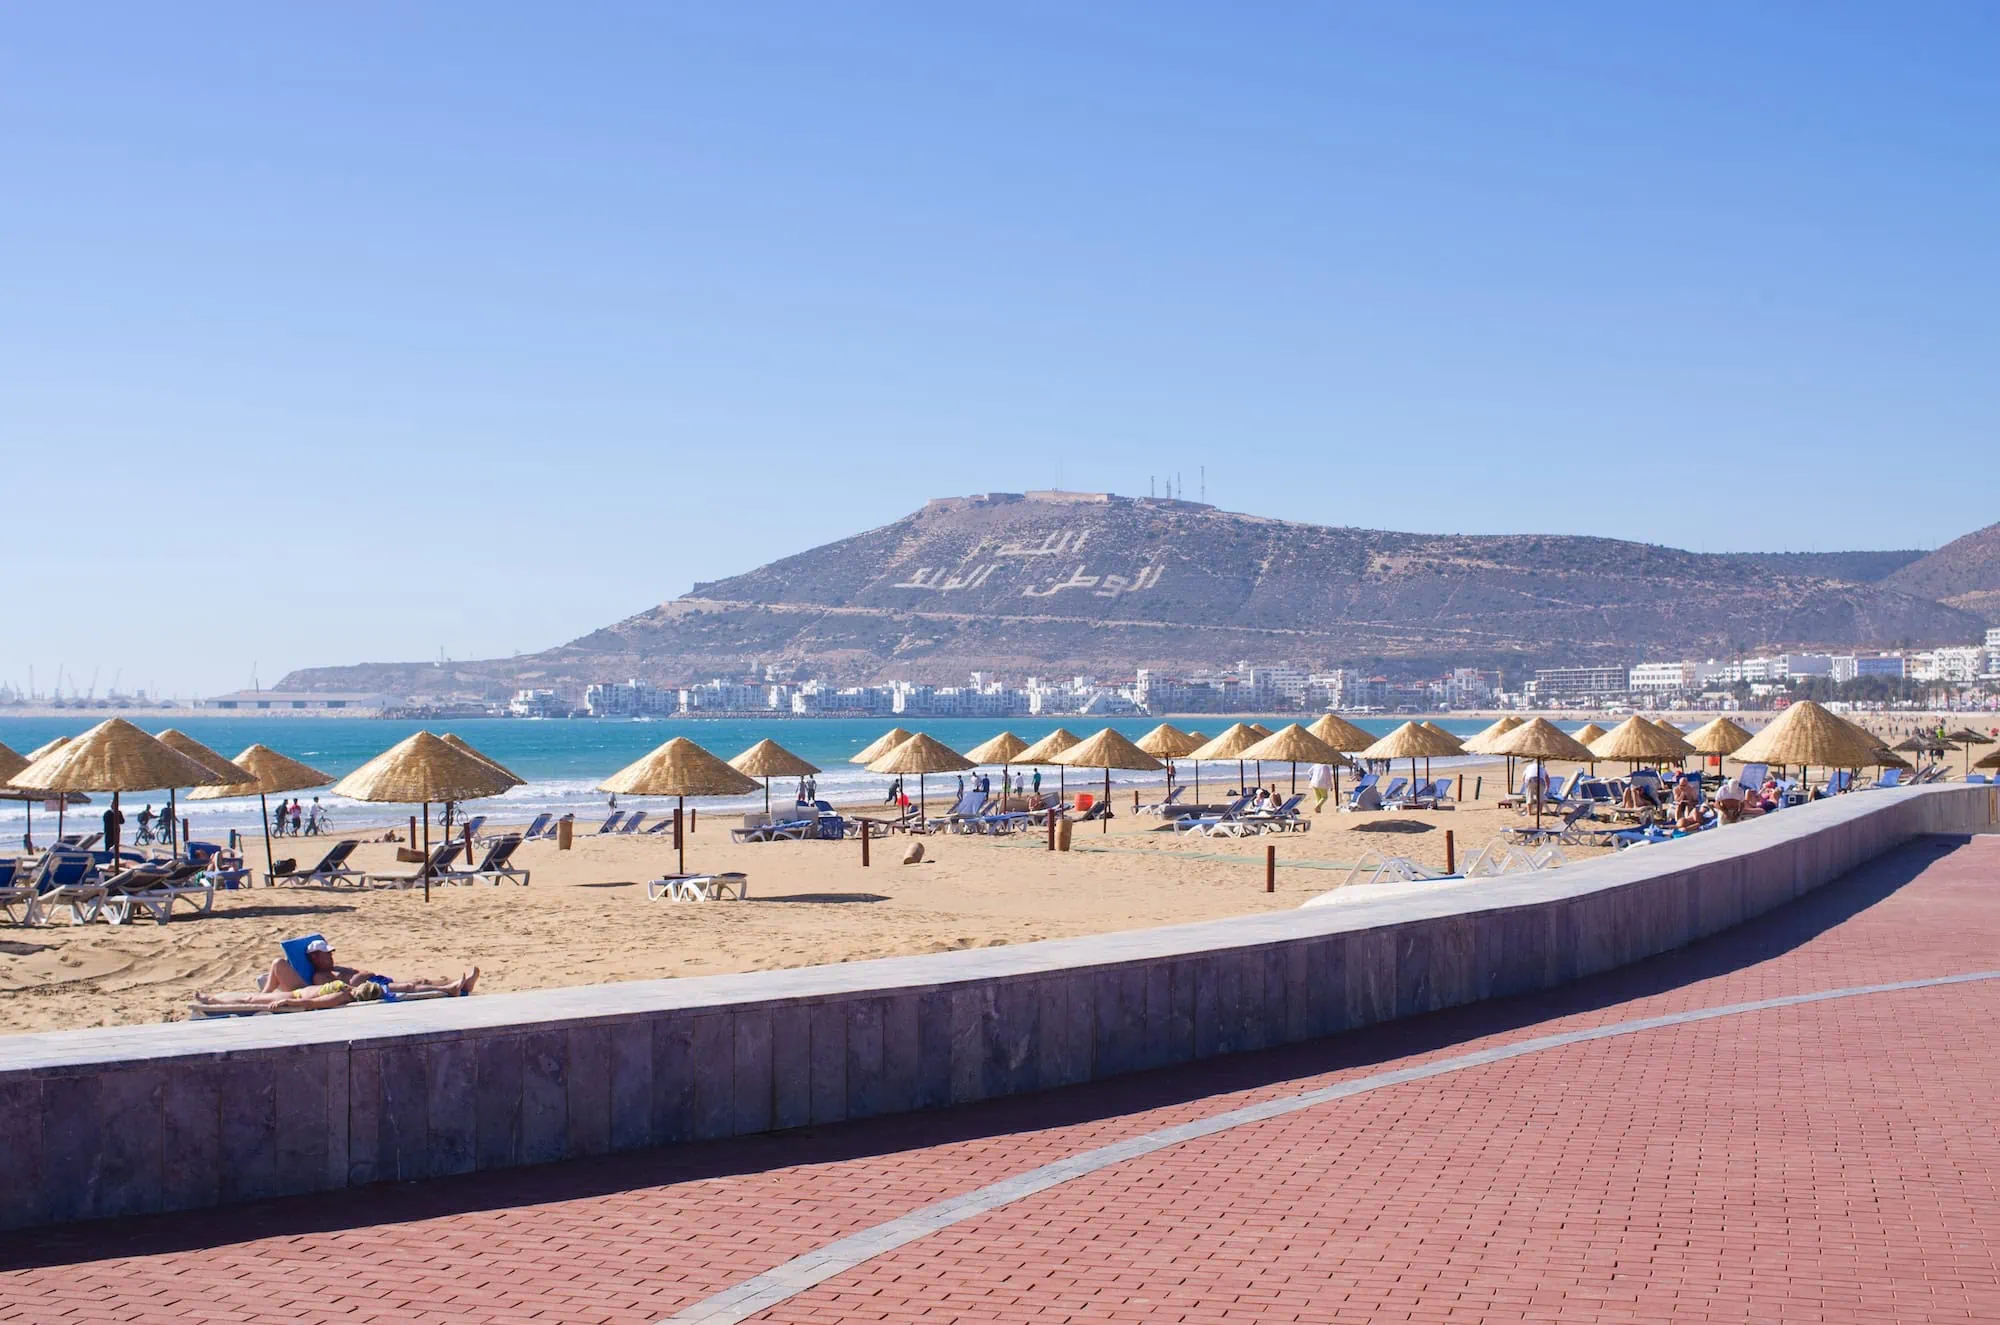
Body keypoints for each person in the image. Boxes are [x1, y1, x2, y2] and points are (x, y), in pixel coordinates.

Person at [260, 937, 480, 998]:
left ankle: (459, 985)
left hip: (377, 981)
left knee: (419, 981)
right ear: (316, 957)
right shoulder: (319, 977)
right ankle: (450, 989)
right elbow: (337, 991)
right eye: (327, 954)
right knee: (410, 987)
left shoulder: (334, 967)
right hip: (370, 992)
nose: (331, 956)